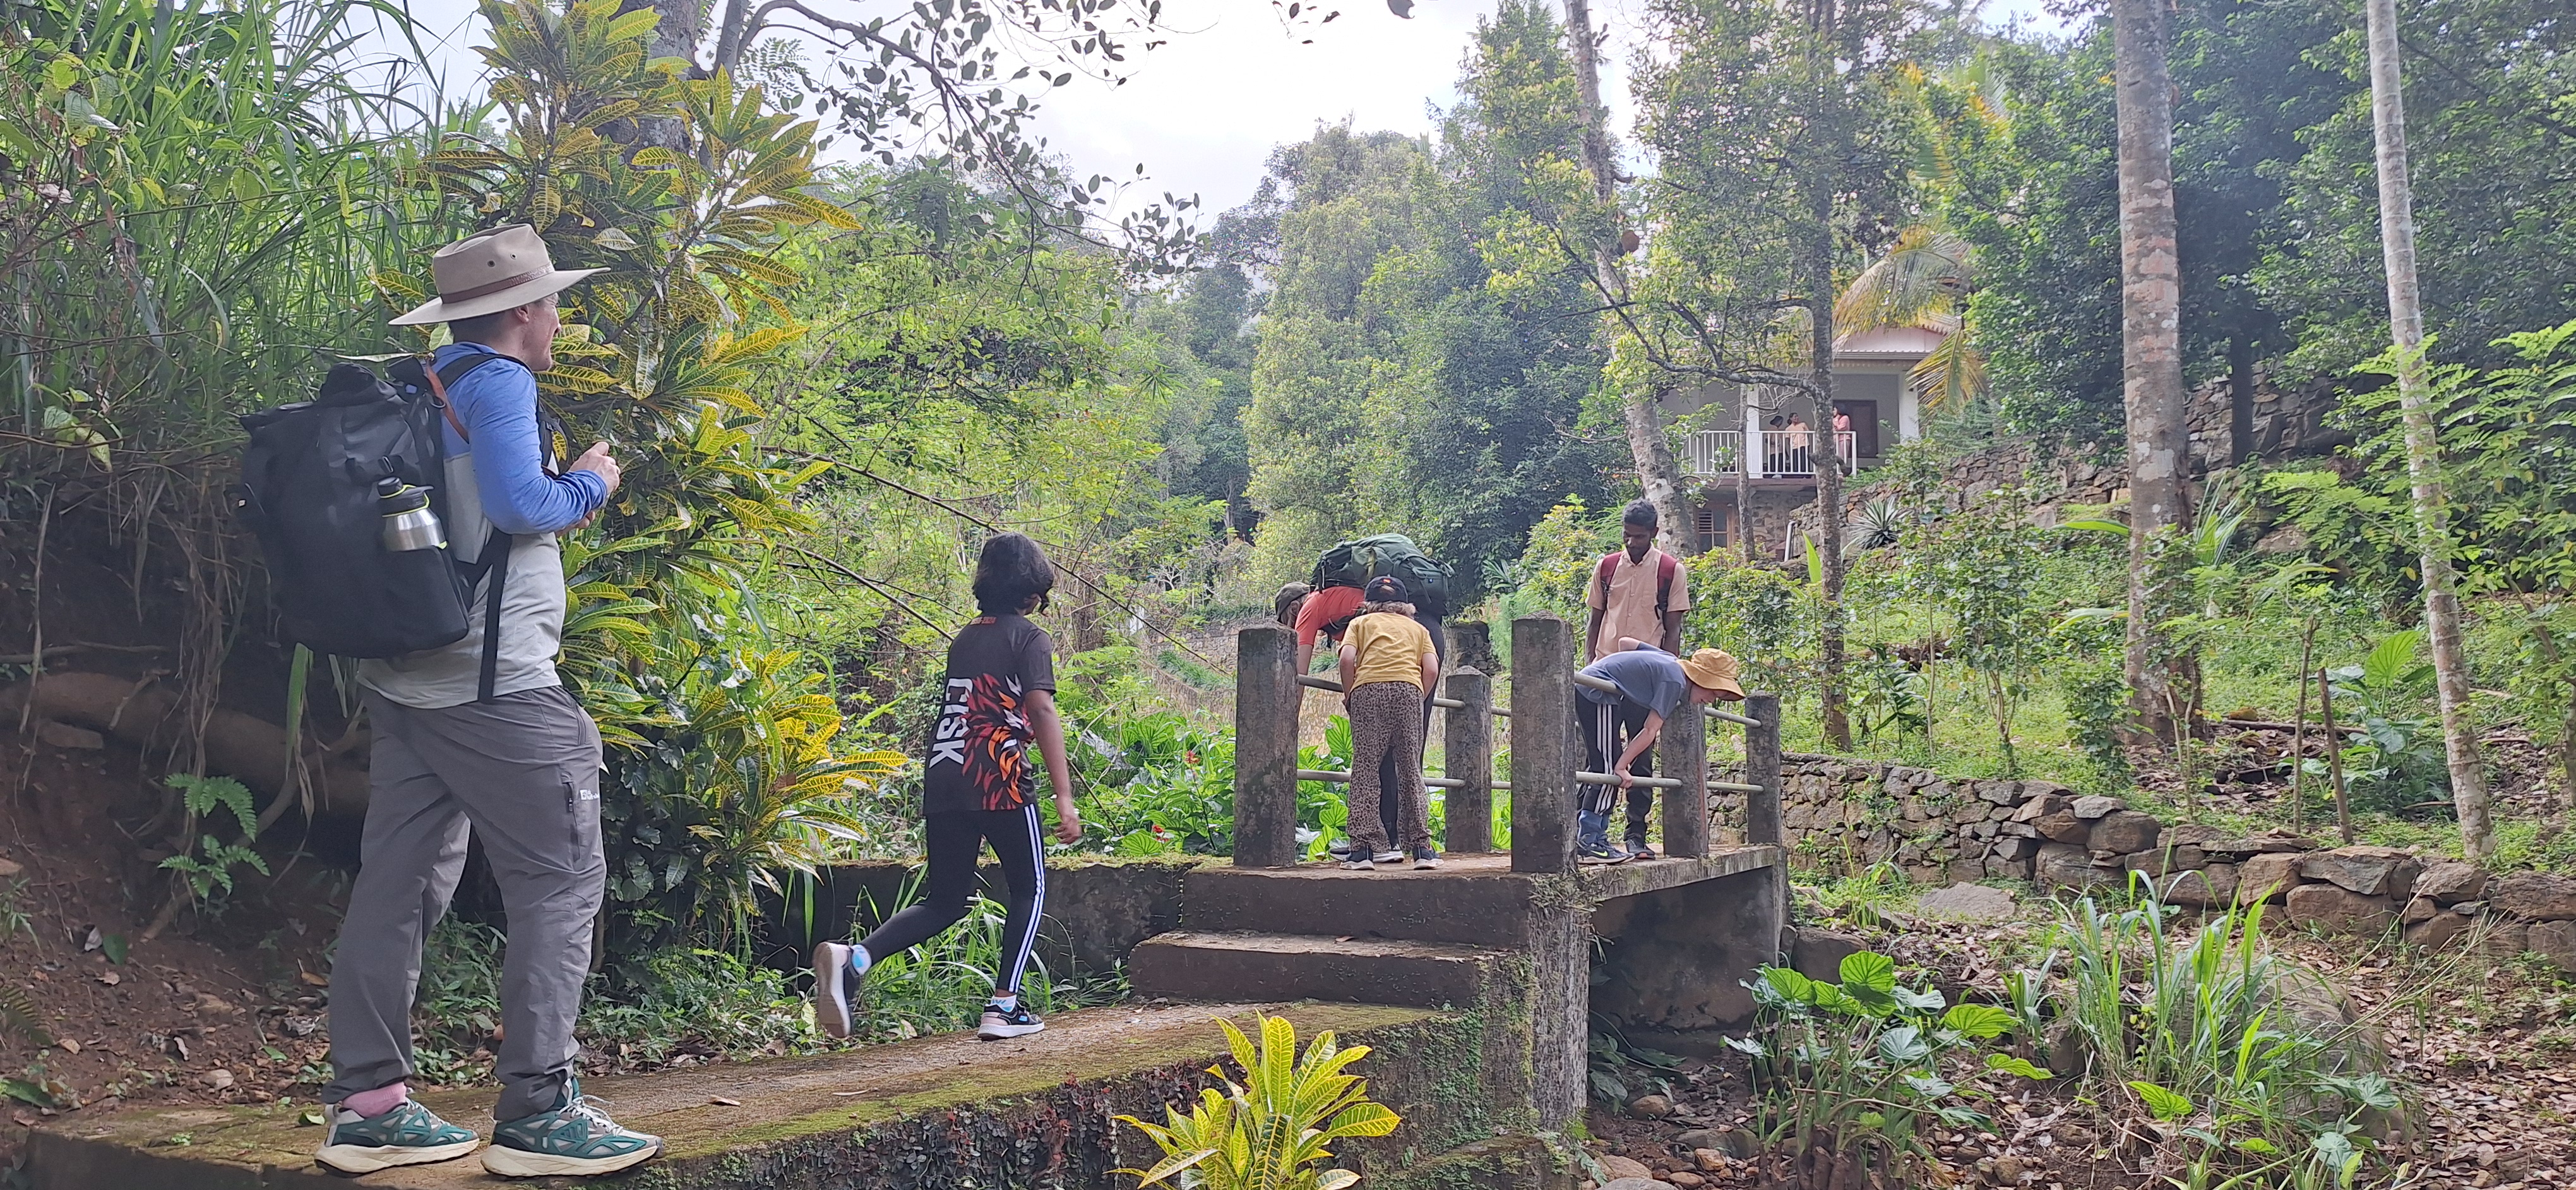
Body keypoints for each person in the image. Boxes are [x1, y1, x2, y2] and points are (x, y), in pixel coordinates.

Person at [319, 224, 661, 1179]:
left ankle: (370, 1106)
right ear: (519, 310)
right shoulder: (501, 382)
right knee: (561, 879)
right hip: (495, 687)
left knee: (399, 886)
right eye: (552, 302)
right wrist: (590, 481)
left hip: (408, 684)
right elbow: (522, 507)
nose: (557, 317)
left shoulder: (424, 385)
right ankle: (541, 1111)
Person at [812, 533, 1083, 1042]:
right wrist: (1064, 797)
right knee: (1030, 886)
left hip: (944, 773)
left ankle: (857, 959)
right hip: (997, 777)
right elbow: (1041, 709)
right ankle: (1005, 1006)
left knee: (945, 900)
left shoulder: (965, 637)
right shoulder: (1029, 638)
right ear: (1031, 596)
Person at [1572, 641, 1745, 864]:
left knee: (1603, 767)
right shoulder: (1674, 681)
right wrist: (1622, 766)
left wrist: (1621, 672)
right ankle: (1590, 843)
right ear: (1700, 679)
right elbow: (1650, 730)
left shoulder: (1669, 661)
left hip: (1602, 691)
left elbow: (1627, 642)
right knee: (1607, 769)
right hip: (1598, 692)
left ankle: (1589, 836)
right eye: (1713, 691)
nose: (1711, 700)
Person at [1584, 500, 1691, 858]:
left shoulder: (1670, 570)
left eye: (1640, 537)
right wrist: (1589, 665)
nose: (1632, 543)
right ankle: (1592, 833)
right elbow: (1596, 619)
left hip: (1645, 681)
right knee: (1601, 756)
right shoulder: (1607, 567)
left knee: (1640, 758)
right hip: (1606, 674)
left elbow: (1673, 627)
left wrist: (1669, 672)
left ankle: (1636, 836)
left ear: (1655, 534)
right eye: (1627, 536)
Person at [1336, 576, 1441, 871]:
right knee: (1410, 769)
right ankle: (1422, 849)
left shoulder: (1360, 625)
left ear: (1369, 604)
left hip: (1368, 690)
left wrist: (1350, 694)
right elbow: (1431, 668)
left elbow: (1347, 660)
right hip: (1409, 691)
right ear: (1405, 605)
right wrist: (1417, 695)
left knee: (1366, 769)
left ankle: (1363, 851)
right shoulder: (1419, 629)